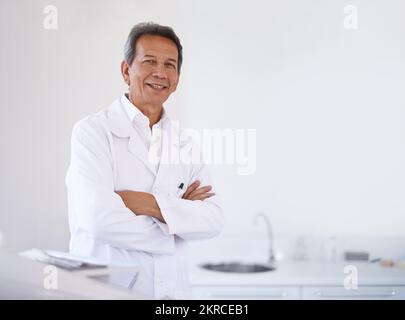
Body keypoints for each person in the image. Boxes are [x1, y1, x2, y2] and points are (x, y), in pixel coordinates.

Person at [65, 22, 224, 299]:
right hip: (109, 291)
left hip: (171, 295)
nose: (160, 73)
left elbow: (212, 220)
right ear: (126, 70)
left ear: (177, 79)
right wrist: (178, 219)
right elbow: (99, 219)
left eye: (170, 65)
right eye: (149, 61)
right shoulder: (92, 132)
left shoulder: (184, 143)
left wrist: (147, 204)